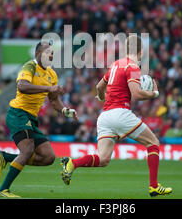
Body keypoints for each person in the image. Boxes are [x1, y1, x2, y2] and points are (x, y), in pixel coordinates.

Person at [60, 35, 172, 197]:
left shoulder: (115, 65)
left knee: (103, 159)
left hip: (105, 116)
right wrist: (154, 93)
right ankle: (154, 186)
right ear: (140, 52)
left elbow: (99, 87)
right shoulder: (132, 67)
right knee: (153, 142)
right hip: (121, 113)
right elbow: (137, 94)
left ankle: (72, 163)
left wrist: (101, 96)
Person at [0, 41, 78, 198]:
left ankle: (6, 157)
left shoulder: (51, 74)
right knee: (27, 150)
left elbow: (54, 100)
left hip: (31, 118)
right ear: (38, 54)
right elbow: (22, 86)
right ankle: (2, 190)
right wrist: (48, 88)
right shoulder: (29, 67)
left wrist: (65, 110)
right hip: (18, 113)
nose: (51, 55)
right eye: (47, 52)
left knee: (48, 157)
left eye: (52, 53)